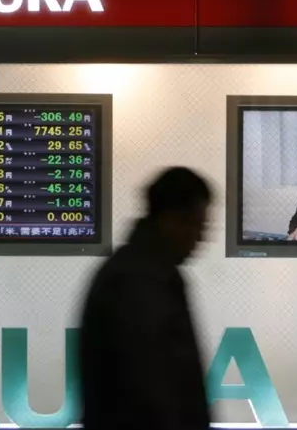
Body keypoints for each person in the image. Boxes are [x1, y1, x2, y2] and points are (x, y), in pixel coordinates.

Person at [78, 166, 212, 430]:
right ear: (171, 219)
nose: (200, 238)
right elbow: (151, 392)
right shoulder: (139, 282)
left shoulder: (140, 273)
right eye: (197, 225)